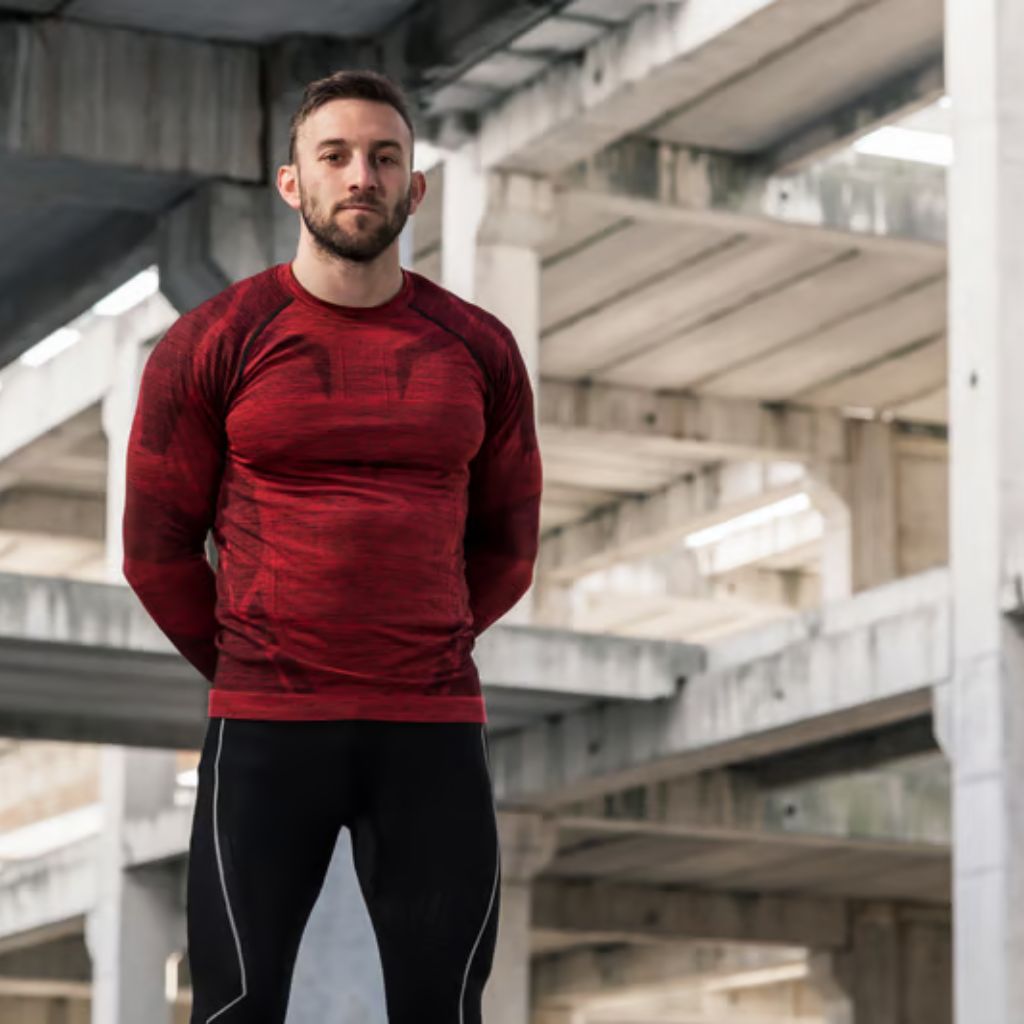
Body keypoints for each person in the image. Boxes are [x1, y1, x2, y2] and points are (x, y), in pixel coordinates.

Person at [122, 69, 542, 1024]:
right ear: (292, 182)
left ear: (414, 187)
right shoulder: (211, 342)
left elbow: (510, 544)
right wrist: (255, 656)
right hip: (265, 728)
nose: (362, 176)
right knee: (233, 1007)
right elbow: (154, 551)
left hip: (430, 727)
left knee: (446, 1010)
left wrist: (421, 642)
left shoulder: (479, 348)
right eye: (337, 155)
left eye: (385, 158)